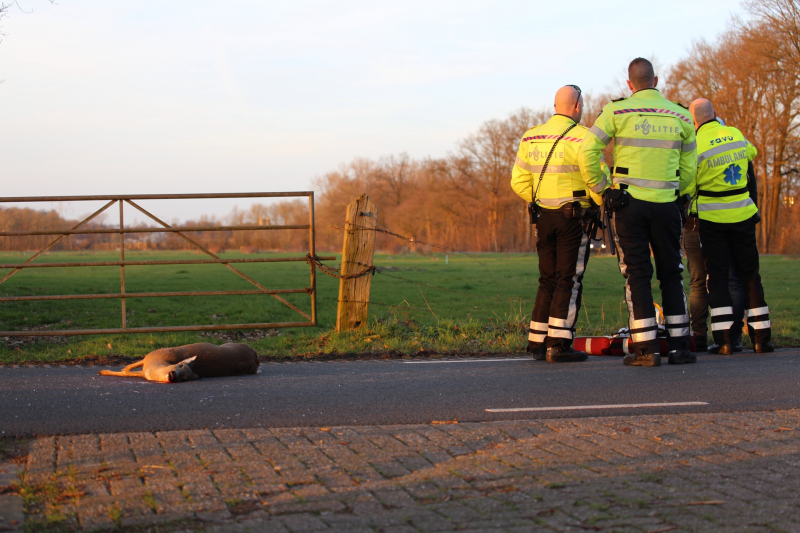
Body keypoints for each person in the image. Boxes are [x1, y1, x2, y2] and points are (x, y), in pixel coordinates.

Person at [579, 58, 696, 367]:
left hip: (628, 205)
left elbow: (586, 151)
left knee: (637, 274)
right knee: (672, 272)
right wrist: (679, 194)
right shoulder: (682, 115)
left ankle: (646, 350)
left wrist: (602, 188)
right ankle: (681, 347)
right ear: (655, 80)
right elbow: (690, 169)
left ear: (629, 84)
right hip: (668, 204)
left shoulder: (616, 111)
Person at [511, 85, 609, 363]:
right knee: (569, 279)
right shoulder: (585, 138)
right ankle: (560, 342)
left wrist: (542, 199)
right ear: (577, 106)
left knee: (547, 279)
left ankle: (537, 342)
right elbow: (597, 179)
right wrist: (599, 201)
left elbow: (517, 181)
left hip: (543, 216)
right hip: (573, 218)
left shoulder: (531, 137)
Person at [686, 98, 773, 354]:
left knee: (719, 278)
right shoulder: (734, 133)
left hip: (712, 218)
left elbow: (689, 185)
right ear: (715, 113)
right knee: (750, 276)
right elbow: (752, 153)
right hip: (743, 215)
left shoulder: (695, 145)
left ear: (694, 121)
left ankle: (723, 341)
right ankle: (761, 339)